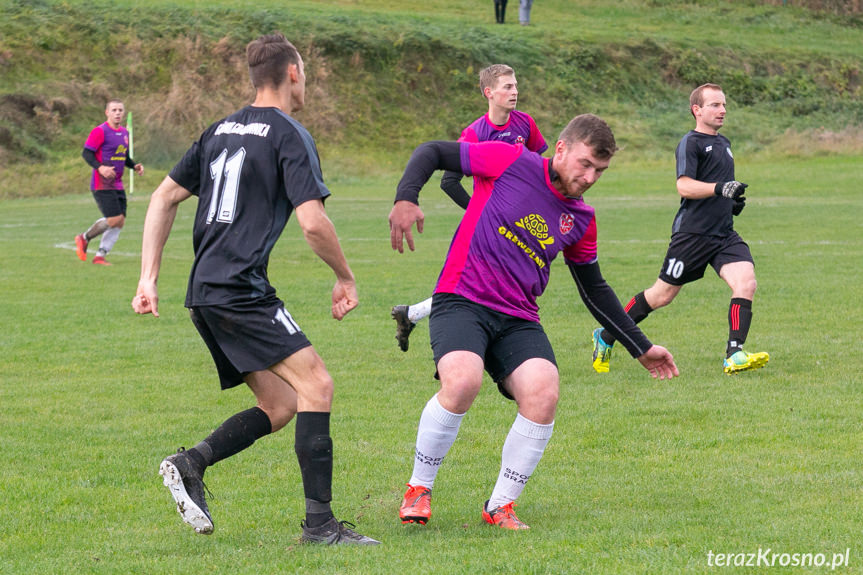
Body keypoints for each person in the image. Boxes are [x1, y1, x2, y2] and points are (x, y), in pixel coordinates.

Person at [131, 33, 378, 546]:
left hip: (205, 292)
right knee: (319, 386)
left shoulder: (219, 130)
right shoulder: (289, 133)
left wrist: (148, 278)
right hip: (240, 289)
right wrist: (345, 277)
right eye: (305, 73)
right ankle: (320, 527)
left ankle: (190, 462)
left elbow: (162, 197)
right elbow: (313, 222)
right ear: (293, 73)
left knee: (283, 403)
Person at [388, 114, 679, 530]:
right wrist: (405, 196)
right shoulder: (510, 161)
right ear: (561, 149)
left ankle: (501, 505)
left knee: (543, 392)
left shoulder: (581, 219)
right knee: (462, 382)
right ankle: (419, 488)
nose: (591, 176)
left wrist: (640, 346)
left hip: (519, 317)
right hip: (462, 299)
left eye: (600, 170)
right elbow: (432, 152)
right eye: (585, 163)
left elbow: (594, 291)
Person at [590, 83, 769, 375]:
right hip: (693, 235)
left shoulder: (724, 143)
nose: (722, 110)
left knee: (746, 282)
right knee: (661, 296)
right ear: (697, 110)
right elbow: (683, 185)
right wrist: (720, 188)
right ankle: (607, 334)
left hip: (724, 234)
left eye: (724, 105)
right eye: (714, 105)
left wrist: (730, 203)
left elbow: (715, 189)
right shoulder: (691, 143)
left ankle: (734, 354)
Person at [391, 63, 547, 352]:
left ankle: (411, 314)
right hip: (488, 229)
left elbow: (540, 169)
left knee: (489, 285)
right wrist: (481, 212)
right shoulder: (475, 133)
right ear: (489, 93)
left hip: (520, 221)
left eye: (515, 86)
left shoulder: (525, 124)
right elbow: (449, 182)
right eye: (507, 87)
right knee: (480, 285)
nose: (515, 92)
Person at [75, 99, 143, 265]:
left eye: (120, 110)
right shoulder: (100, 131)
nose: (117, 113)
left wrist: (134, 166)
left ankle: (100, 255)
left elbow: (123, 157)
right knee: (113, 219)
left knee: (120, 221)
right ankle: (84, 238)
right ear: (107, 112)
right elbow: (87, 153)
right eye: (114, 110)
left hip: (117, 183)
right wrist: (100, 168)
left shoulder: (125, 133)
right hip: (102, 184)